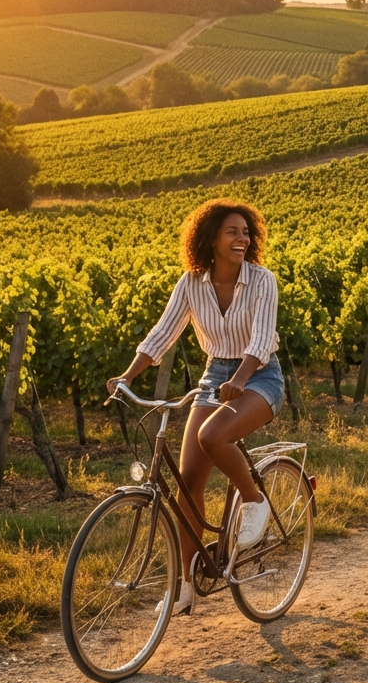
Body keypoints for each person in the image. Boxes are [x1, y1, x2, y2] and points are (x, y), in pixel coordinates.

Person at [108, 199, 284, 615]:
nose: (242, 239)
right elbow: (162, 333)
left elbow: (261, 340)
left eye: (246, 232)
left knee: (213, 435)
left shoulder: (262, 280)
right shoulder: (191, 283)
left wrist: (240, 379)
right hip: (215, 374)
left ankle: (254, 500)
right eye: (232, 232)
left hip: (260, 374)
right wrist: (127, 376)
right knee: (188, 485)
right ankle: (186, 586)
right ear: (210, 239)